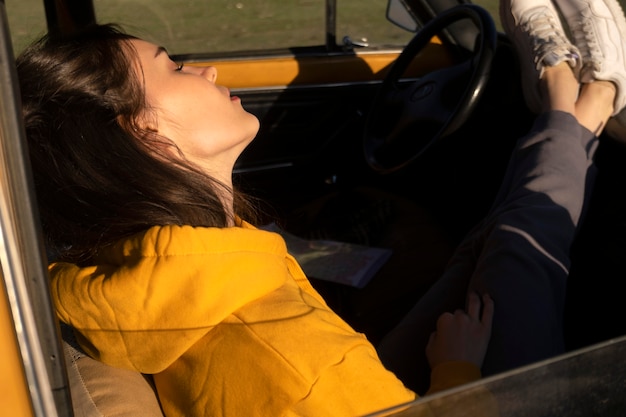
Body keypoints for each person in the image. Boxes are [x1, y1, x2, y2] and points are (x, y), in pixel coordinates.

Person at [14, 0, 625, 413]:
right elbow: (314, 375)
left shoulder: (176, 268)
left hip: (373, 389)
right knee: (520, 251)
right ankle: (583, 104)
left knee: (481, 248)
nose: (207, 67)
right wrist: (456, 373)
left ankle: (570, 111)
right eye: (174, 68)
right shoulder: (298, 365)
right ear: (145, 134)